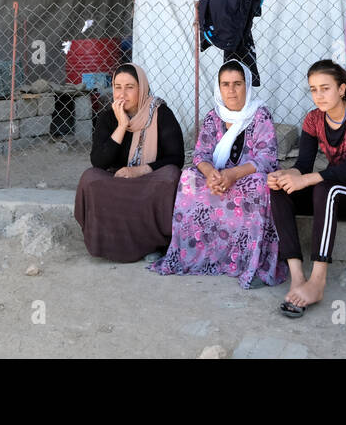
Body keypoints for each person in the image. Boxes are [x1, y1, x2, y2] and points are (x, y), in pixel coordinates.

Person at [267, 60, 346, 317]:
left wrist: (306, 179)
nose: (319, 95)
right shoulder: (313, 119)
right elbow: (302, 165)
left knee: (325, 187)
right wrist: (283, 175)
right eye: (313, 89)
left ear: (341, 89)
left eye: (325, 88)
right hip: (335, 193)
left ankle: (318, 281)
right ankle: (298, 277)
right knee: (279, 189)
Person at [149, 60, 284, 287]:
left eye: (237, 84)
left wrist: (232, 175)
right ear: (218, 88)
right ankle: (203, 256)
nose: (231, 90)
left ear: (247, 86)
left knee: (259, 183)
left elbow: (266, 158)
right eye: (225, 84)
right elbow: (201, 154)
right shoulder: (214, 117)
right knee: (188, 178)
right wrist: (211, 173)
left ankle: (243, 260)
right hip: (218, 179)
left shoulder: (260, 115)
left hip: (244, 179)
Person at [74, 63, 185, 262]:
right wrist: (122, 125)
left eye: (130, 87)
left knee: (170, 177)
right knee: (90, 178)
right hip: (118, 180)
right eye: (118, 87)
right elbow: (98, 162)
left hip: (148, 180)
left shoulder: (161, 114)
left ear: (141, 88)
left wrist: (140, 171)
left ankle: (154, 244)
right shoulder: (107, 118)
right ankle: (109, 242)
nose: (122, 93)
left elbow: (176, 159)